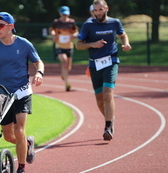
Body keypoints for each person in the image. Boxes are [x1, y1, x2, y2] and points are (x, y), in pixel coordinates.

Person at [0, 12, 44, 173]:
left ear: (11, 27)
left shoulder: (24, 44)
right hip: (2, 95)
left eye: (0, 26)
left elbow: (38, 62)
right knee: (8, 136)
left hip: (22, 92)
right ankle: (27, 144)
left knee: (19, 129)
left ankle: (21, 167)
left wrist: (39, 73)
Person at [76, 0, 132, 141]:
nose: (98, 13)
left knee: (107, 94)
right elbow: (78, 45)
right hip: (95, 65)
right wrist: (93, 44)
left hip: (111, 62)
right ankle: (110, 118)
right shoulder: (88, 25)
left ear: (106, 8)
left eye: (100, 9)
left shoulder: (115, 22)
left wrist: (126, 43)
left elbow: (122, 34)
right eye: (96, 10)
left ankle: (108, 126)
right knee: (100, 100)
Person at [50, 6, 78, 91]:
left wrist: (74, 35)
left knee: (68, 67)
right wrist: (54, 35)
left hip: (69, 46)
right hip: (59, 46)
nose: (64, 16)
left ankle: (63, 74)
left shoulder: (71, 22)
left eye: (66, 14)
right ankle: (67, 84)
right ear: (60, 13)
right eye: (63, 14)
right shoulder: (56, 22)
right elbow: (52, 30)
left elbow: (76, 31)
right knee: (64, 60)